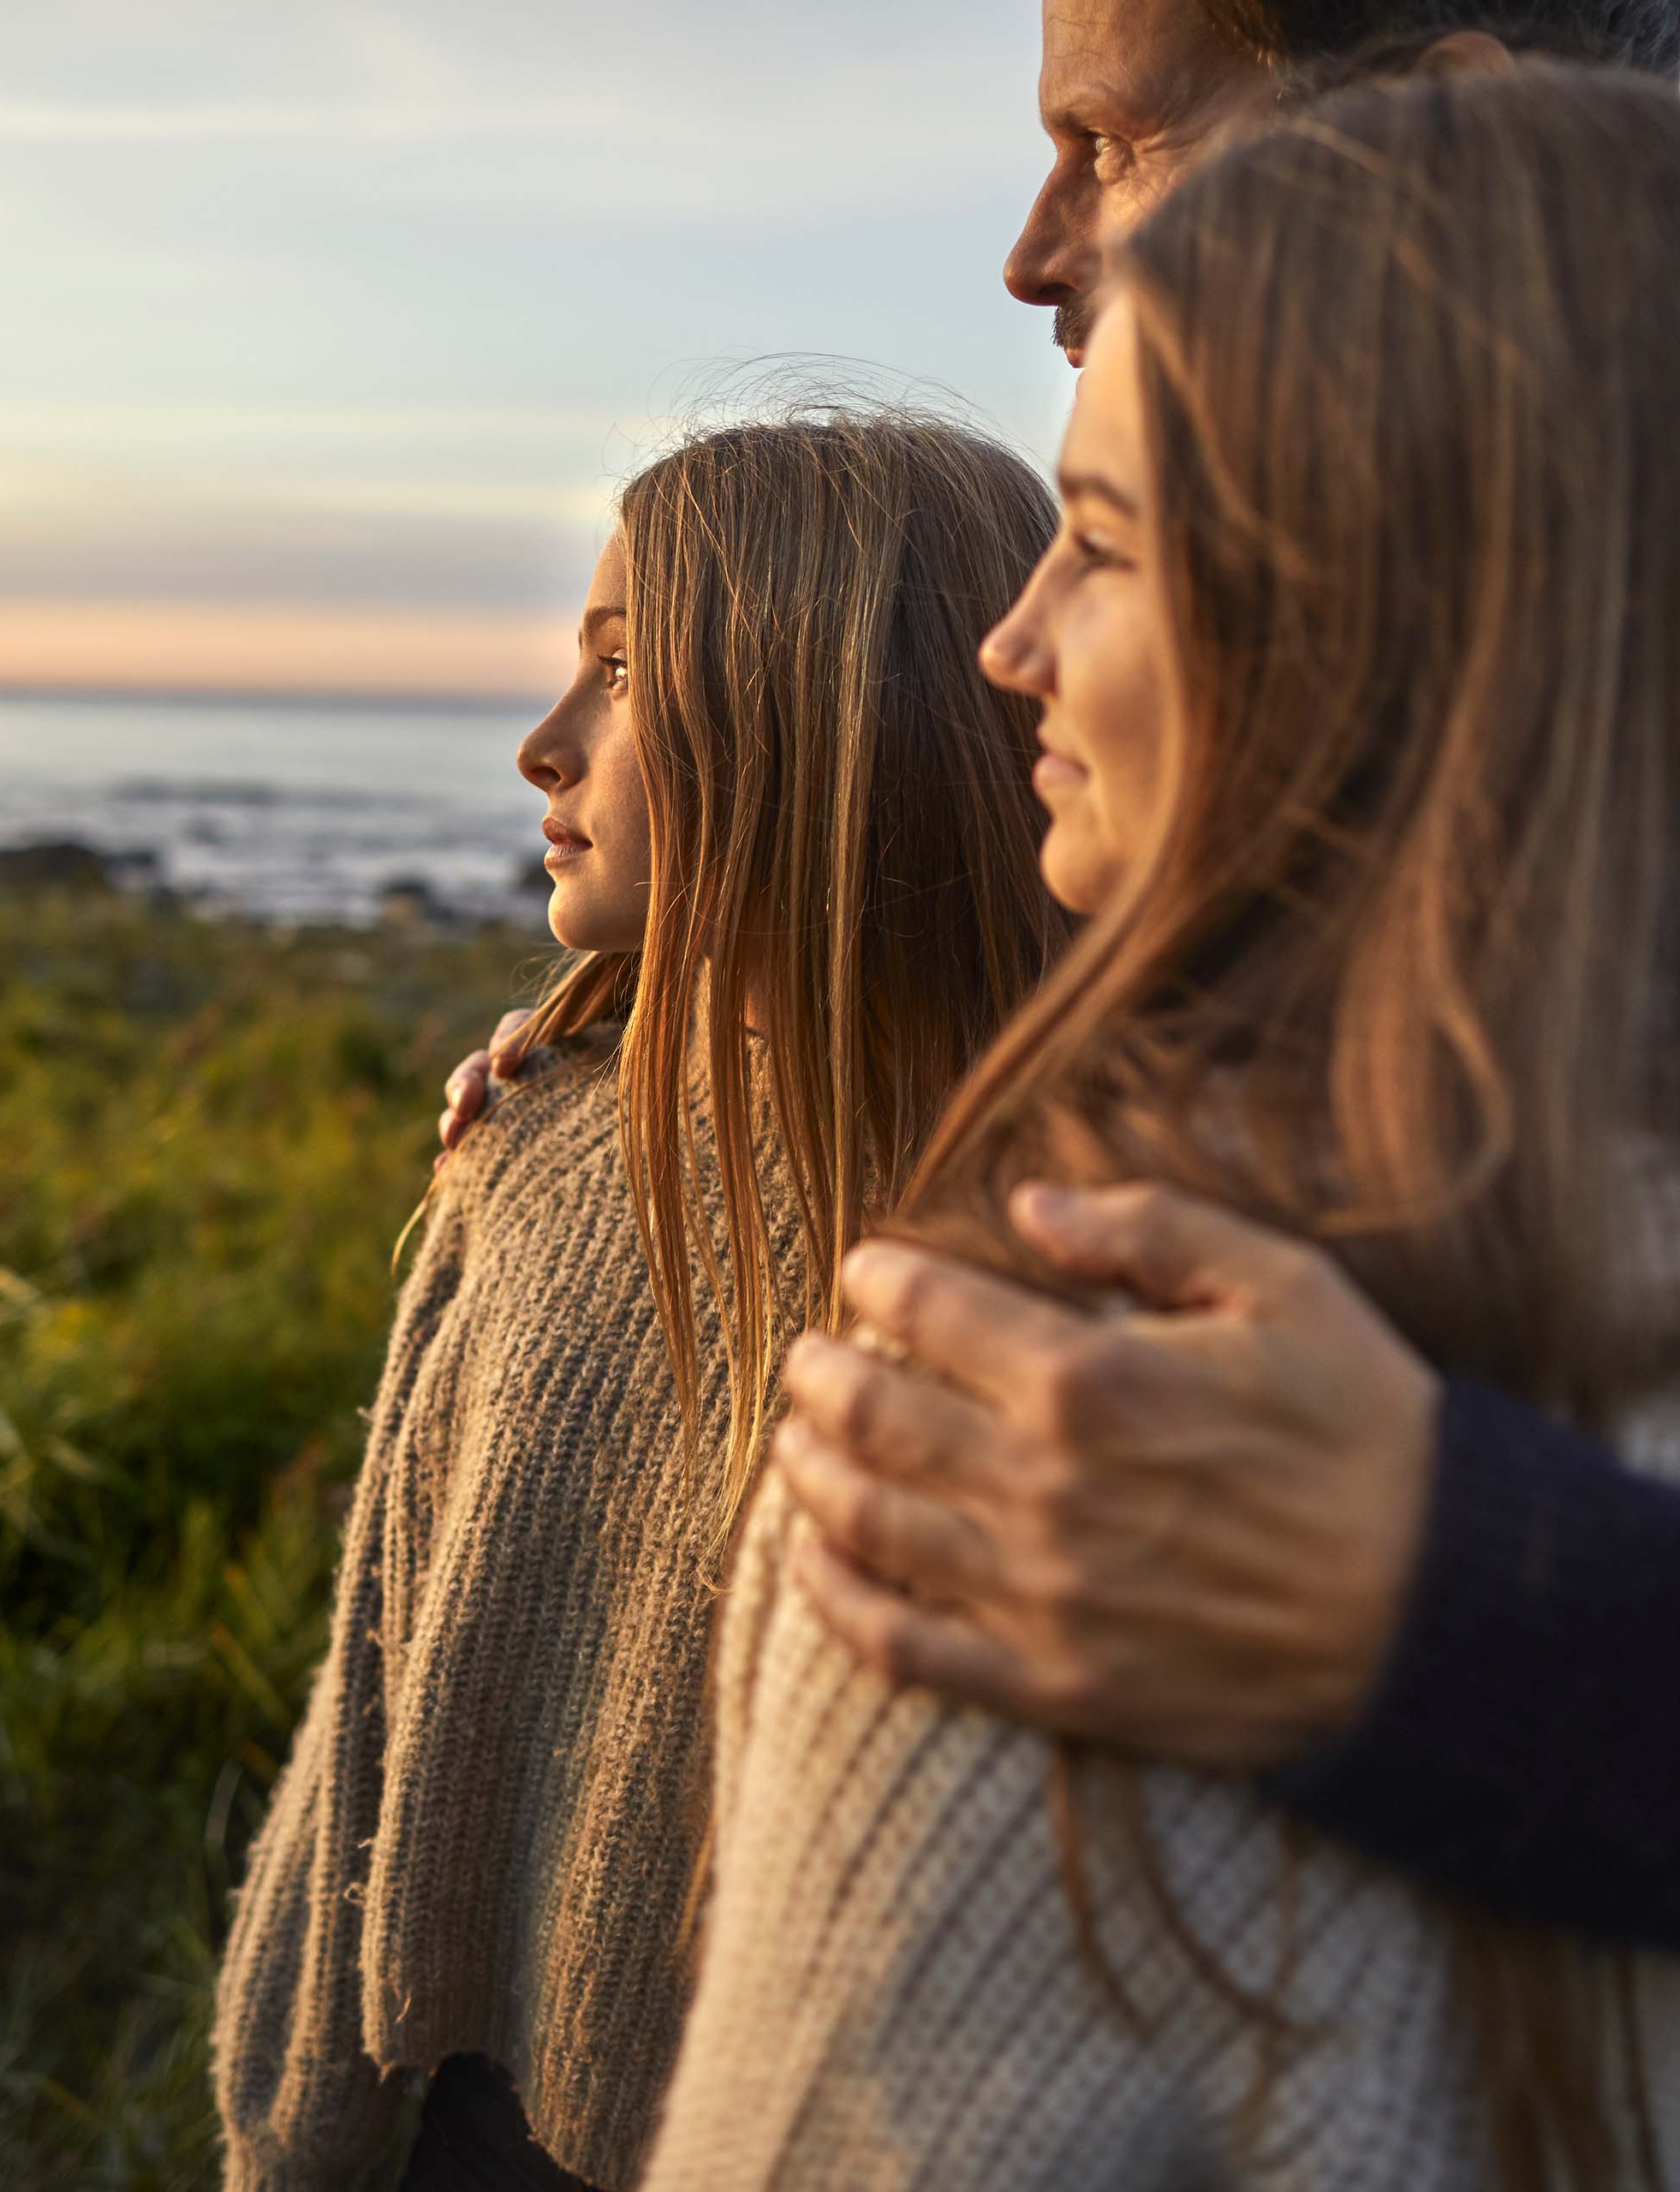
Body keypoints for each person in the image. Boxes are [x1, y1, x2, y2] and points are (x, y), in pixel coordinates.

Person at [438, 3, 1680, 2177]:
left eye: (1112, 142)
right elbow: (988, 950)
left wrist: (1436, 1590)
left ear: (1455, 128)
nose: (1031, 247)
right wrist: (621, 1043)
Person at [210, 408, 1065, 2192]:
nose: (543, 747)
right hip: (449, 2097)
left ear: (832, 718)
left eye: (621, 670)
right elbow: (391, 1663)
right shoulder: (541, 1148)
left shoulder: (1068, 1249)